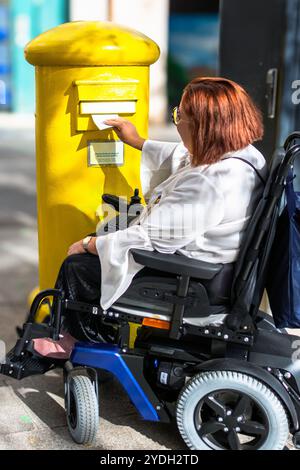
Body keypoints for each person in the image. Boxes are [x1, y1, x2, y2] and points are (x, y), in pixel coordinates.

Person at [33, 76, 267, 358]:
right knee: (109, 235)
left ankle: (78, 340)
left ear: (202, 127)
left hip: (194, 280)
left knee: (78, 265)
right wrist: (137, 141)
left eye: (179, 114)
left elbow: (149, 237)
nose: (176, 119)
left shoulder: (209, 184)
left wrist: (87, 244)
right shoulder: (245, 156)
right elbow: (185, 156)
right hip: (218, 269)